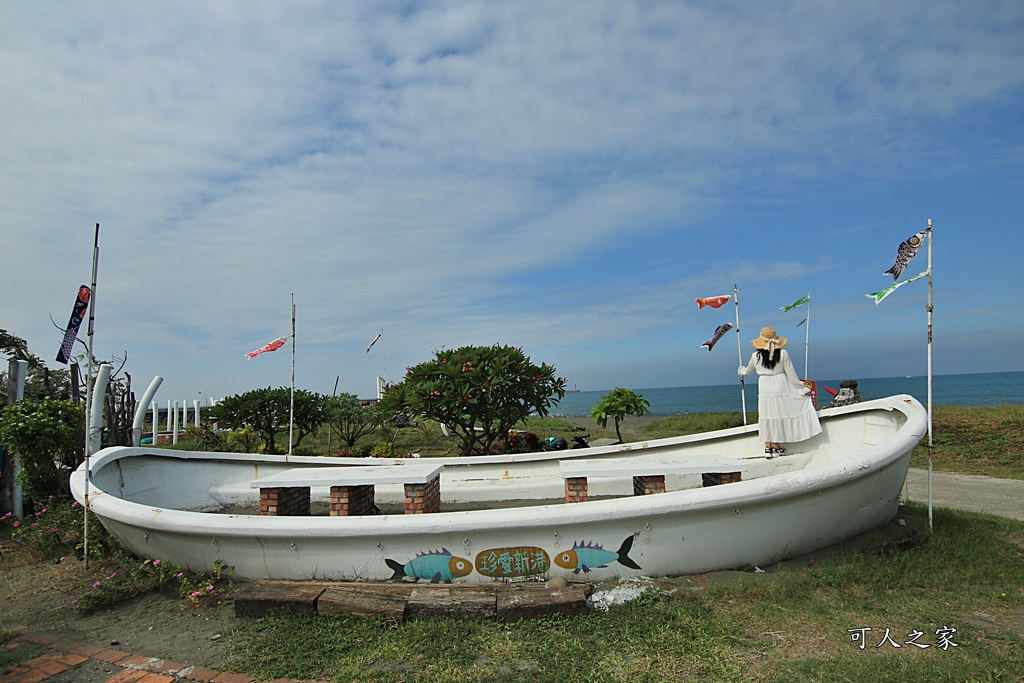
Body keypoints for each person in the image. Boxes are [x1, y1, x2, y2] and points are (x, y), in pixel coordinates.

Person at [738, 326, 821, 456]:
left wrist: (741, 370)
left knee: (767, 415)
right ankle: (776, 446)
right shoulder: (783, 354)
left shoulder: (756, 356)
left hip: (765, 386)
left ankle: (767, 447)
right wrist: (802, 387)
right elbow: (792, 375)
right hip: (780, 384)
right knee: (778, 414)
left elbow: (749, 371)